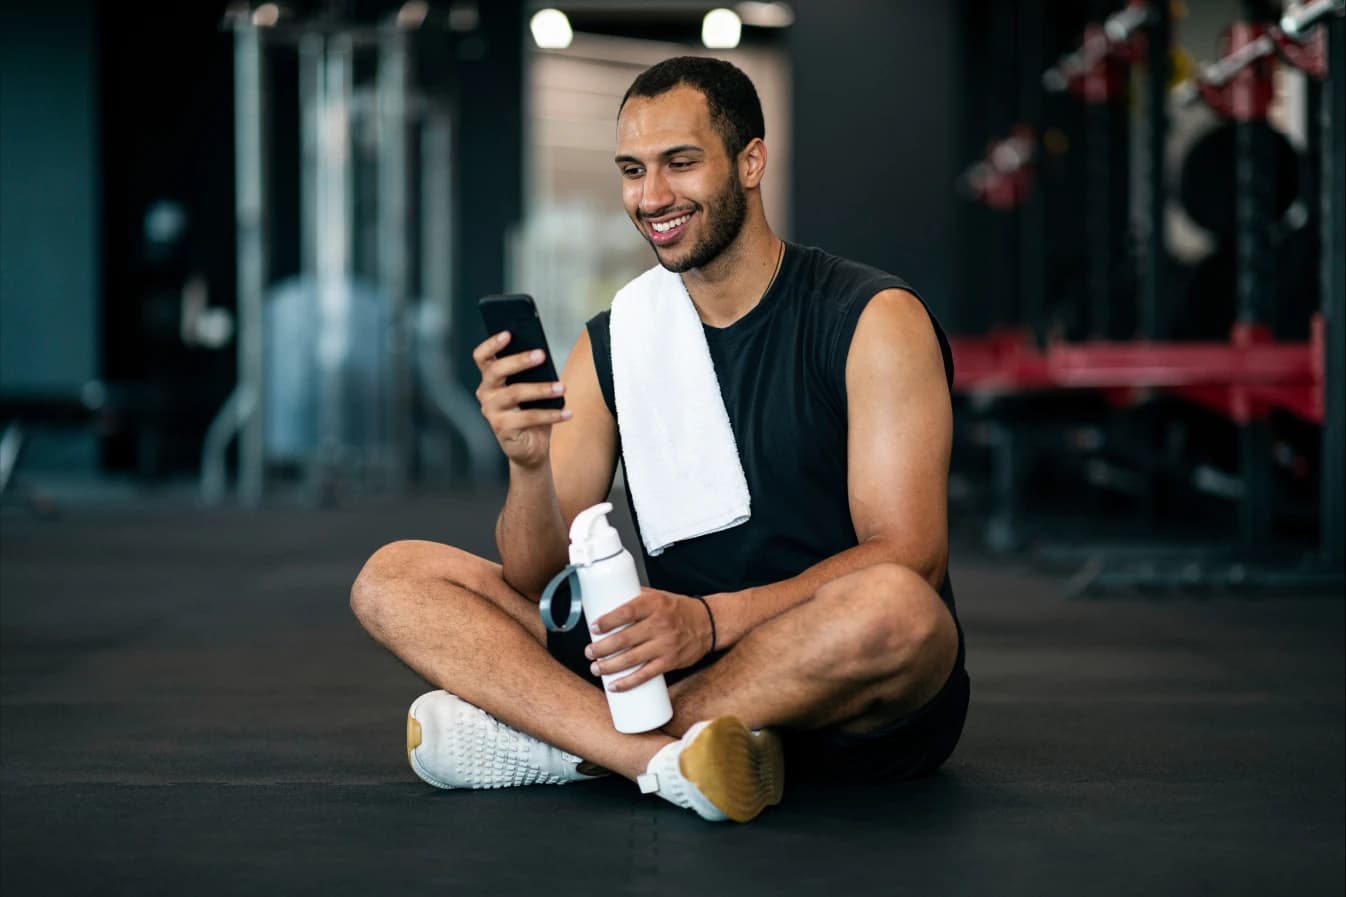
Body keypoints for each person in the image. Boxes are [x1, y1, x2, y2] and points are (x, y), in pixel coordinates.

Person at [350, 56, 968, 823]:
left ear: (751, 160)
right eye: (633, 171)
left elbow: (911, 553)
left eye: (680, 163)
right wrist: (528, 465)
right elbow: (535, 576)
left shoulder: (872, 318)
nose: (652, 198)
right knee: (394, 576)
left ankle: (575, 747)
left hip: (833, 674)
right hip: (671, 653)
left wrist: (709, 620)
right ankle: (662, 756)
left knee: (898, 609)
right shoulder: (615, 341)